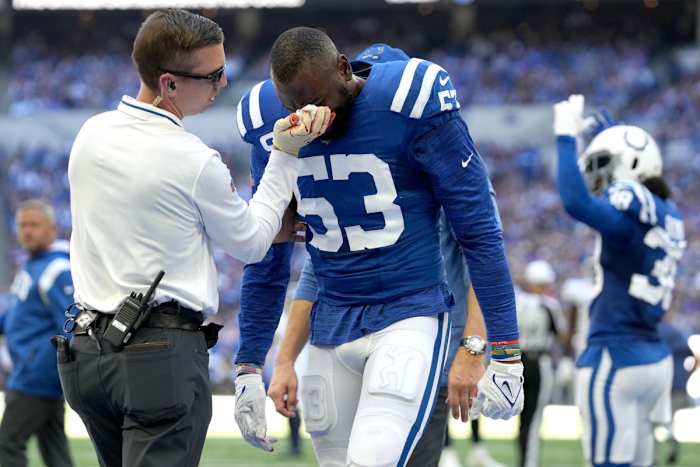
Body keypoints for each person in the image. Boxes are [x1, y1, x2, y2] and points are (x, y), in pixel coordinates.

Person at [234, 27, 524, 467]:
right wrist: (249, 365)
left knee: (374, 459)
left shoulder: (410, 106)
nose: (311, 117)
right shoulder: (271, 125)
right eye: (296, 107)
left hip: (409, 312)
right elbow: (270, 254)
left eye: (319, 101)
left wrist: (501, 349)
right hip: (331, 324)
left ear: (345, 69)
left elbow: (479, 236)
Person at [63, 9, 329, 467]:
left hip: (86, 353)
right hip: (156, 355)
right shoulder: (192, 158)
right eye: (213, 75)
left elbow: (156, 214)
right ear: (169, 84)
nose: (222, 85)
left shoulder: (91, 133)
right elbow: (250, 243)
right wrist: (284, 153)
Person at [554, 95, 686, 467]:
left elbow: (576, 203)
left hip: (616, 356)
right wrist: (613, 135)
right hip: (653, 360)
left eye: (605, 166)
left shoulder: (629, 207)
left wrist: (565, 135)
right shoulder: (667, 212)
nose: (600, 176)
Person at [0, 200, 74, 467]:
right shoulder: (32, 265)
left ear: (52, 230)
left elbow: (70, 326)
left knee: (7, 445)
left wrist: (42, 365)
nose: (27, 231)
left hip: (36, 376)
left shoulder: (57, 269)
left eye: (34, 225)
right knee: (55, 450)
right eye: (22, 225)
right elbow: (19, 316)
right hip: (36, 372)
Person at [514, 260, 565, 467]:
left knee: (522, 418)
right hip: (539, 362)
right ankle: (529, 463)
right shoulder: (549, 305)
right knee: (533, 420)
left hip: (517, 360)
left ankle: (524, 460)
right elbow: (560, 335)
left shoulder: (516, 300)